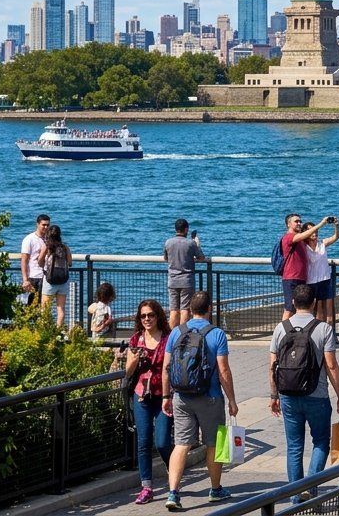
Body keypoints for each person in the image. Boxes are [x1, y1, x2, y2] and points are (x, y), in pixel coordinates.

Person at [269, 284, 339, 505]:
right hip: (317, 395)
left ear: (293, 303)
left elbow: (272, 366)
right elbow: (331, 366)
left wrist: (274, 396)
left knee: (294, 446)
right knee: (321, 442)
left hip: (288, 395)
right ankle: (310, 490)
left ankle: (296, 497)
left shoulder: (281, 328)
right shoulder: (323, 329)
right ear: (314, 303)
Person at [163, 290, 239, 511]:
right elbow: (223, 370)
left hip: (181, 397)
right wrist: (232, 400)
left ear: (190, 309)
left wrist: (166, 396)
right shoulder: (217, 334)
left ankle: (173, 493)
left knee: (181, 444)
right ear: (210, 309)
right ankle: (216, 490)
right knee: (215, 444)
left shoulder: (176, 332)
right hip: (211, 397)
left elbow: (166, 369)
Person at [126, 299, 173, 504]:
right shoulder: (136, 339)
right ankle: (146, 487)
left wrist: (169, 395)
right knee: (143, 442)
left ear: (158, 316)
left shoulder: (168, 338)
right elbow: (127, 372)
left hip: (163, 396)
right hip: (142, 395)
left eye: (151, 315)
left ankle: (173, 471)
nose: (147, 319)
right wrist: (135, 359)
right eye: (143, 315)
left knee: (162, 442)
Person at [280, 214, 330, 322]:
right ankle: (282, 335)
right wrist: (321, 224)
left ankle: (296, 333)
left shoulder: (302, 240)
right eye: (296, 221)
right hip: (291, 278)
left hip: (302, 279)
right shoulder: (289, 237)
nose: (299, 223)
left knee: (300, 308)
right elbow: (303, 235)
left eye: (300, 221)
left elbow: (309, 239)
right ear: (288, 224)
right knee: (289, 308)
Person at [164, 219, 206, 329]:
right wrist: (197, 244)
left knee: (173, 311)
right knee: (185, 310)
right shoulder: (191, 243)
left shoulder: (168, 242)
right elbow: (201, 258)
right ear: (186, 229)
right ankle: (182, 336)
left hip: (172, 280)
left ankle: (171, 337)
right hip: (187, 281)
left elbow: (166, 258)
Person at [305, 217, 339, 324]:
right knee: (313, 309)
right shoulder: (304, 246)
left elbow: (336, 237)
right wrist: (321, 223)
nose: (315, 233)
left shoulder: (322, 244)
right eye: (312, 231)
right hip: (311, 281)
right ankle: (313, 333)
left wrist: (337, 226)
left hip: (325, 280)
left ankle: (330, 333)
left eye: (316, 231)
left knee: (328, 310)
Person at [38, 223, 71, 327]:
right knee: (60, 309)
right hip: (63, 280)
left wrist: (44, 265)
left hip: (49, 280)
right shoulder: (65, 247)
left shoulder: (47, 246)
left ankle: (46, 330)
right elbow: (70, 262)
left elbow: (40, 261)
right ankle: (58, 331)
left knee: (45, 308)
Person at [20, 213, 50, 305]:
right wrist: (25, 279)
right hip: (33, 276)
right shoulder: (29, 239)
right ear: (37, 224)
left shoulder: (48, 239)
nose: (45, 227)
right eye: (43, 225)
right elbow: (24, 260)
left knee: (44, 304)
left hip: (46, 276)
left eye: (47, 225)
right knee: (31, 304)